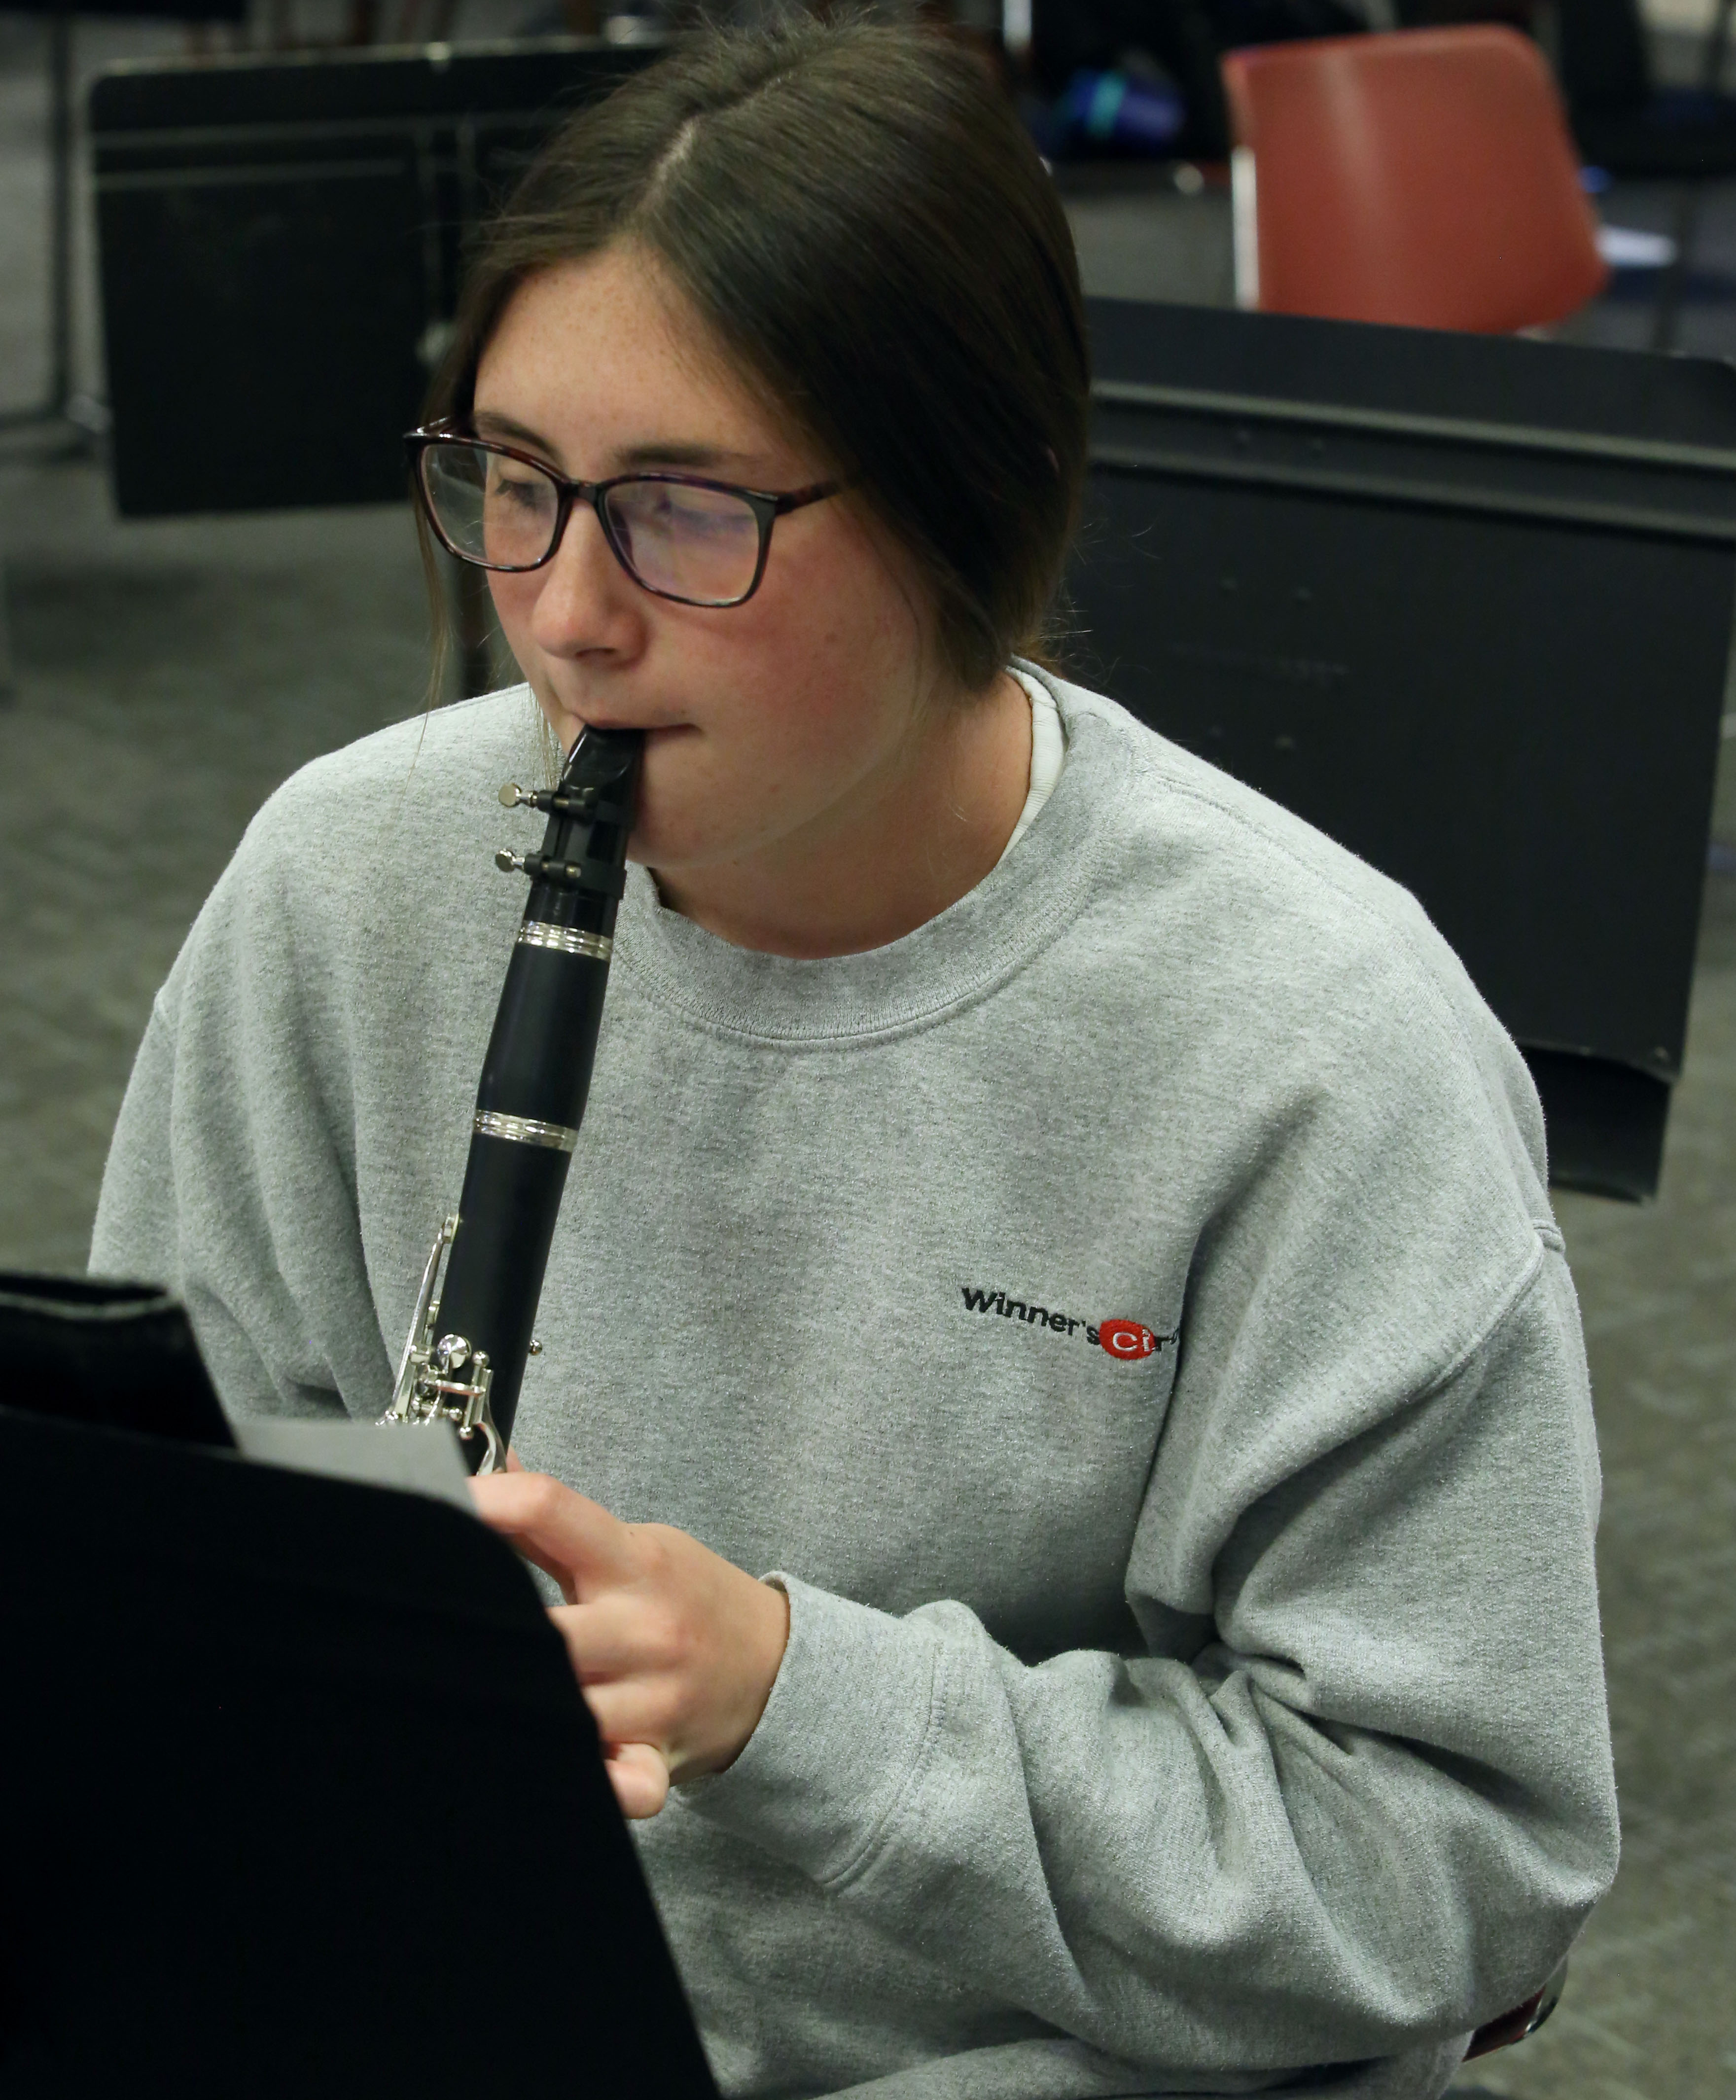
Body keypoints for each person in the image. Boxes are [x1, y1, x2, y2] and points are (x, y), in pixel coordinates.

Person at [90, 17, 1618, 2100]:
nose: (561, 618)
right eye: (513, 485)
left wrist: (786, 1696)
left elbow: (1451, 1870)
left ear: (966, 518)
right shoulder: (345, 881)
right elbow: (172, 1608)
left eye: (681, 514)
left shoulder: (1313, 1045)